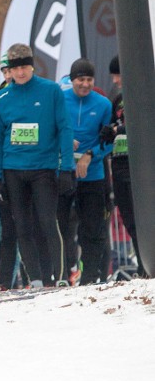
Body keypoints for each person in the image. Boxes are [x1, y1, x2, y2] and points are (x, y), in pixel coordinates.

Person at [0, 43, 74, 288]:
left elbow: (64, 128)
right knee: (22, 225)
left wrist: (66, 167)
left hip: (43, 168)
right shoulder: (1, 99)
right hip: (13, 170)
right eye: (16, 69)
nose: (21, 73)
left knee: (47, 221)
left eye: (25, 67)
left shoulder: (51, 90)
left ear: (32, 66)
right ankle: (35, 278)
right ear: (9, 71)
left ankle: (59, 277)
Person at [58, 58, 113, 285]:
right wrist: (65, 140)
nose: (85, 84)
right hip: (63, 174)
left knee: (92, 228)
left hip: (93, 175)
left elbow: (109, 140)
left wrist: (91, 155)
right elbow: (50, 130)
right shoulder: (60, 100)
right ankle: (60, 275)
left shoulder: (103, 104)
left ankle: (90, 277)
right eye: (81, 79)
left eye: (89, 79)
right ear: (72, 80)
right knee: (61, 228)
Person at [103, 56, 143, 276]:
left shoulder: (145, 93)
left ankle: (147, 264)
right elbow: (113, 127)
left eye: (117, 75)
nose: (115, 80)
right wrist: (107, 133)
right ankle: (143, 265)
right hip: (119, 165)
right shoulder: (117, 100)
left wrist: (118, 131)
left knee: (144, 218)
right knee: (128, 219)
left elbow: (143, 125)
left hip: (140, 167)